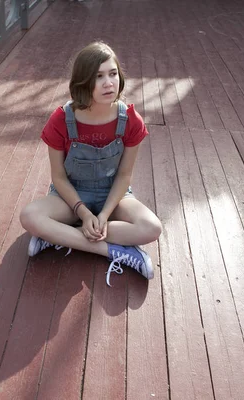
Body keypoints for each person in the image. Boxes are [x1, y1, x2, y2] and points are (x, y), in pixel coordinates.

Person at [19, 42, 162, 286]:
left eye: (113, 73)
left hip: (113, 194)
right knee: (30, 216)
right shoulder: (61, 120)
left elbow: (124, 176)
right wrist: (83, 213)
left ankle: (59, 235)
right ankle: (114, 251)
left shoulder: (130, 120)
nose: (109, 83)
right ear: (83, 82)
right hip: (71, 195)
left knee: (152, 228)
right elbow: (59, 178)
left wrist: (104, 215)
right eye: (98, 77)